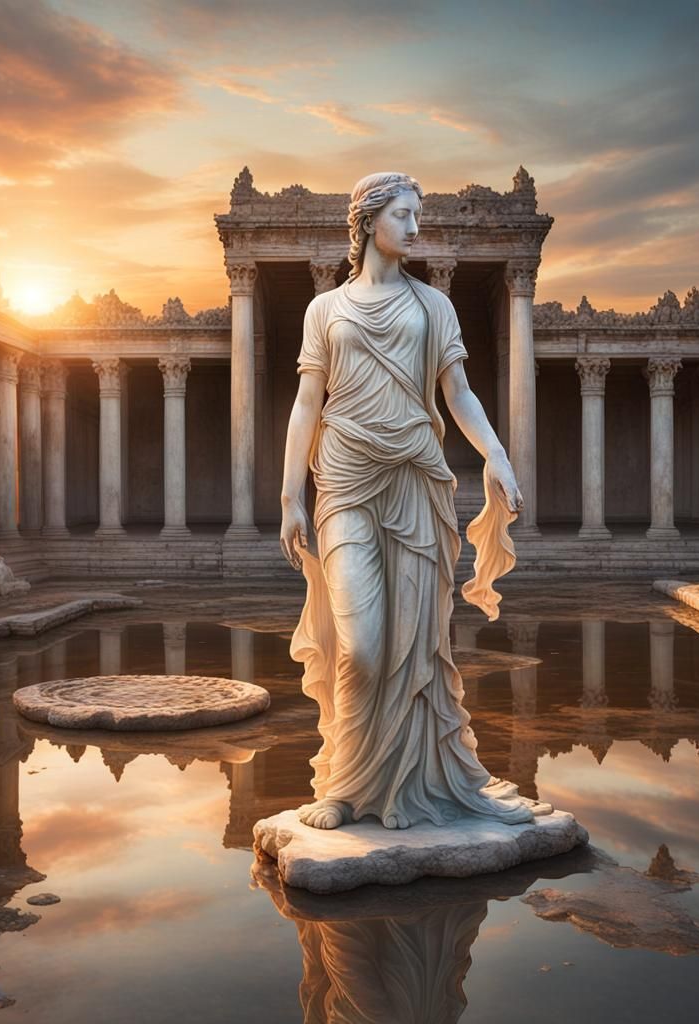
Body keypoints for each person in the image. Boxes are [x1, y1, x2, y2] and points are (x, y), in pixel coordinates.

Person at [280, 172, 551, 830]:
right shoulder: (327, 311)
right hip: (343, 481)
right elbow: (307, 404)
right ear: (369, 220)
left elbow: (457, 394)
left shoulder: (434, 306)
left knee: (417, 646)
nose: (414, 228)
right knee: (363, 645)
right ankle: (345, 786)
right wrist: (290, 495)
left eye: (416, 215)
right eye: (402, 214)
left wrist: (497, 454)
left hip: (415, 482)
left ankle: (406, 785)